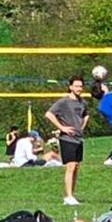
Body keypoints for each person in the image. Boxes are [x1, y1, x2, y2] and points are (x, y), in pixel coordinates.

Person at [44, 75, 88, 207]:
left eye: (81, 86)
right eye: (76, 86)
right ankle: (68, 196)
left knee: (76, 167)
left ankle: (72, 195)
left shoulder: (82, 102)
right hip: (67, 138)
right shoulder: (63, 102)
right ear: (70, 87)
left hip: (78, 138)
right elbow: (49, 114)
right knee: (70, 166)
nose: (79, 88)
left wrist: (81, 127)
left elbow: (86, 115)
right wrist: (62, 127)